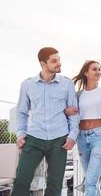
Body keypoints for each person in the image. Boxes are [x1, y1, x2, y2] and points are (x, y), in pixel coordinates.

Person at [12, 47, 79, 196]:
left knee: (55, 184)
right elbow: (21, 112)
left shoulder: (67, 84)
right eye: (54, 61)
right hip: (33, 138)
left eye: (59, 59)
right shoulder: (27, 85)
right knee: (22, 180)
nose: (59, 63)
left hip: (59, 139)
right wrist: (21, 133)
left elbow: (74, 112)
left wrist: (73, 135)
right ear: (43, 63)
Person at [64, 60, 101, 196]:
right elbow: (70, 115)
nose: (98, 72)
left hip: (99, 136)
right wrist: (66, 111)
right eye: (94, 69)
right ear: (86, 73)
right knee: (92, 181)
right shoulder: (78, 95)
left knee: (90, 182)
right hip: (81, 139)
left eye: (99, 69)